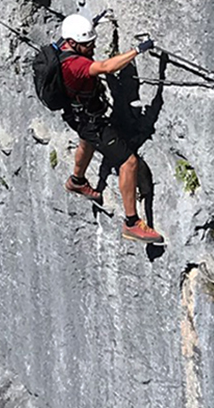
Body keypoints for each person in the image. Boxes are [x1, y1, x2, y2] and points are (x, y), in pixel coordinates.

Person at [57, 13, 163, 245]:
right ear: (74, 44)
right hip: (89, 120)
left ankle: (76, 180)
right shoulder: (76, 65)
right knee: (129, 162)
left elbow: (80, 36)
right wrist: (138, 49)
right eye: (88, 45)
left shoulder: (61, 46)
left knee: (88, 141)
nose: (92, 47)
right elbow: (105, 67)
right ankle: (132, 223)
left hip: (76, 115)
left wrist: (93, 23)